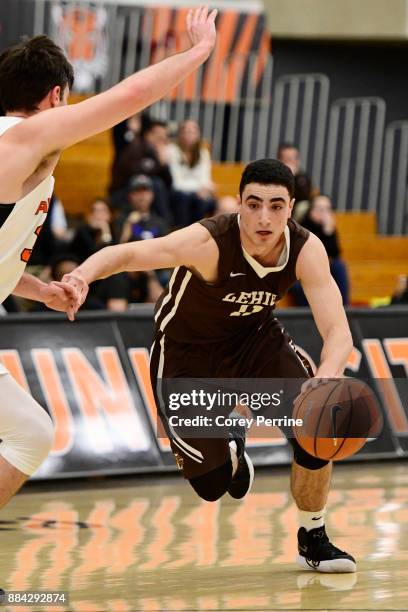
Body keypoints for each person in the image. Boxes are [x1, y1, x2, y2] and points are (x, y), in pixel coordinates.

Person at [63, 159, 356, 573]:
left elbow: (338, 332)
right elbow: (129, 252)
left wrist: (327, 376)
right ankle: (233, 442)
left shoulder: (306, 248)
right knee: (212, 485)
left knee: (317, 429)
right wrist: (80, 276)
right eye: (253, 204)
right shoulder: (209, 241)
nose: (263, 217)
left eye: (276, 206)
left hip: (254, 343)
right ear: (239, 204)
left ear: (291, 208)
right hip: (187, 354)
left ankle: (313, 536)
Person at [0, 5, 217, 509]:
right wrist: (199, 51)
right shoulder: (28, 138)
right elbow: (129, 97)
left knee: (31, 433)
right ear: (56, 96)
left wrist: (40, 290)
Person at [294, 195, 350, 306]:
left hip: (322, 269)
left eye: (327, 209)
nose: (324, 213)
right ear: (311, 211)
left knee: (339, 266)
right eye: (320, 209)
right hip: (302, 270)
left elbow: (335, 254)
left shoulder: (328, 228)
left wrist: (328, 233)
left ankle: (344, 309)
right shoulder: (302, 227)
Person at [168, 119, 216, 226]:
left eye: (193, 131)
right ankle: (182, 232)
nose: (189, 135)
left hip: (197, 193)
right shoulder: (172, 150)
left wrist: (205, 188)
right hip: (178, 193)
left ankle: (197, 233)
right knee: (184, 199)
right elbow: (177, 183)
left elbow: (205, 179)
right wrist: (199, 189)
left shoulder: (203, 152)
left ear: (198, 134)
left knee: (206, 202)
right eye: (186, 131)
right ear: (180, 134)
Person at [277, 143, 316, 221]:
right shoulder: (274, 175)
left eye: (294, 158)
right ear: (280, 160)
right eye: (287, 159)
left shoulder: (303, 177)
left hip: (297, 212)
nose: (291, 162)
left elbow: (305, 198)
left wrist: (294, 177)